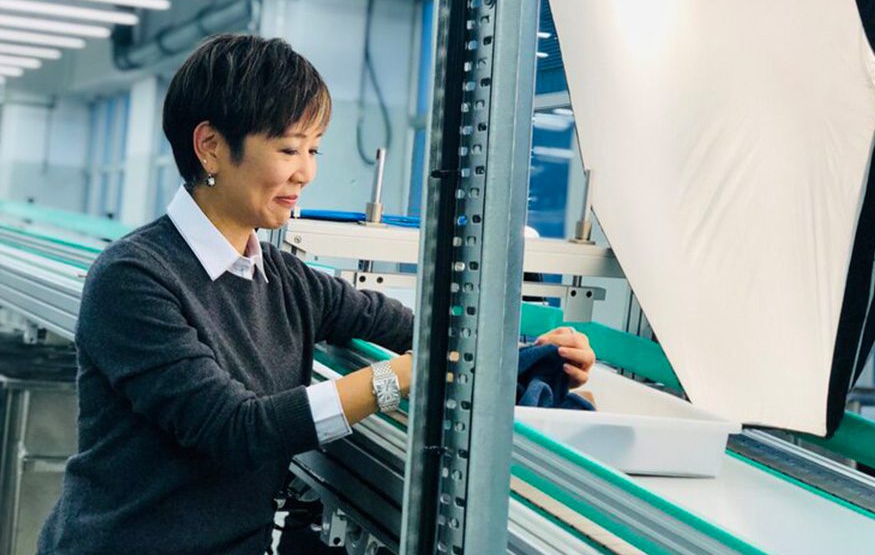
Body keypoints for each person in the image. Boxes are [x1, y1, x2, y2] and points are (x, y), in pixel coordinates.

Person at [37, 34, 596, 554]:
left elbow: (412, 327)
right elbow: (236, 431)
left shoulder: (285, 280)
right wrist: (402, 377)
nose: (305, 173)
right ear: (209, 146)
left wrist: (531, 351)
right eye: (287, 149)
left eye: (314, 150)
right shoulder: (135, 278)